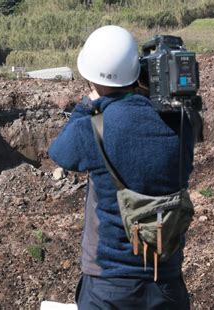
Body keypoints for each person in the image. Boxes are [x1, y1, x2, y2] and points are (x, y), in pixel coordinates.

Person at [48, 25, 194, 309]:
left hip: (108, 286)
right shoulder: (181, 124)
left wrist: (87, 105)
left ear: (91, 78)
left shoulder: (94, 127)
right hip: (166, 282)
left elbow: (59, 152)